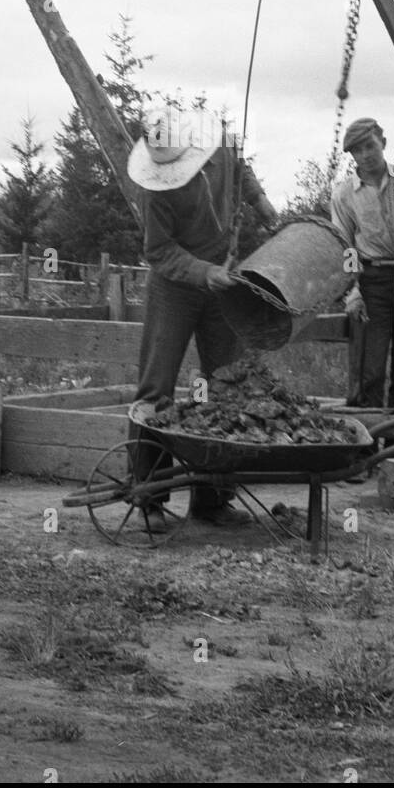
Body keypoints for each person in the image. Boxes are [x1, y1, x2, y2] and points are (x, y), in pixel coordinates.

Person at [127, 107, 278, 532]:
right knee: (155, 390)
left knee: (225, 384)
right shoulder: (154, 189)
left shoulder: (223, 143)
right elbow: (158, 251)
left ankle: (213, 500)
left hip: (223, 278)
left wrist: (262, 204)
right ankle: (150, 498)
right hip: (175, 285)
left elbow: (241, 170)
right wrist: (202, 273)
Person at [330, 116, 394, 408]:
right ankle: (367, 445)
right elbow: (344, 245)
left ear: (383, 143)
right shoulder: (344, 193)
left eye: (370, 146)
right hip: (373, 281)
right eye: (357, 150)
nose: (366, 155)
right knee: (370, 367)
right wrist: (352, 290)